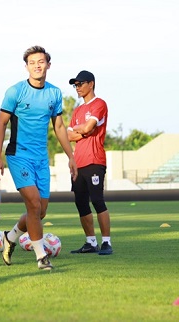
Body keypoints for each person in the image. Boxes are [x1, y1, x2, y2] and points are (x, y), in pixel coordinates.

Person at [0, 46, 78, 271]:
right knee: (32, 203)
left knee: (40, 211)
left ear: (49, 65)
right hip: (18, 155)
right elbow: (1, 123)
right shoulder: (15, 92)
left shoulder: (54, 93)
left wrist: (71, 156)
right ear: (27, 67)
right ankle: (41, 257)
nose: (37, 66)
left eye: (41, 62)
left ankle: (10, 237)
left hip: (41, 159)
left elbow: (58, 126)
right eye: (32, 63)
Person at [67, 70, 113, 255]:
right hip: (78, 162)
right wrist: (84, 131)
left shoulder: (99, 104)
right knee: (81, 202)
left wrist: (83, 130)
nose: (77, 88)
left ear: (91, 84)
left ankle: (107, 243)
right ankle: (90, 242)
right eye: (75, 85)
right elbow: (68, 135)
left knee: (97, 200)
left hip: (95, 160)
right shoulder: (77, 110)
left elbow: (86, 127)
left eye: (80, 84)